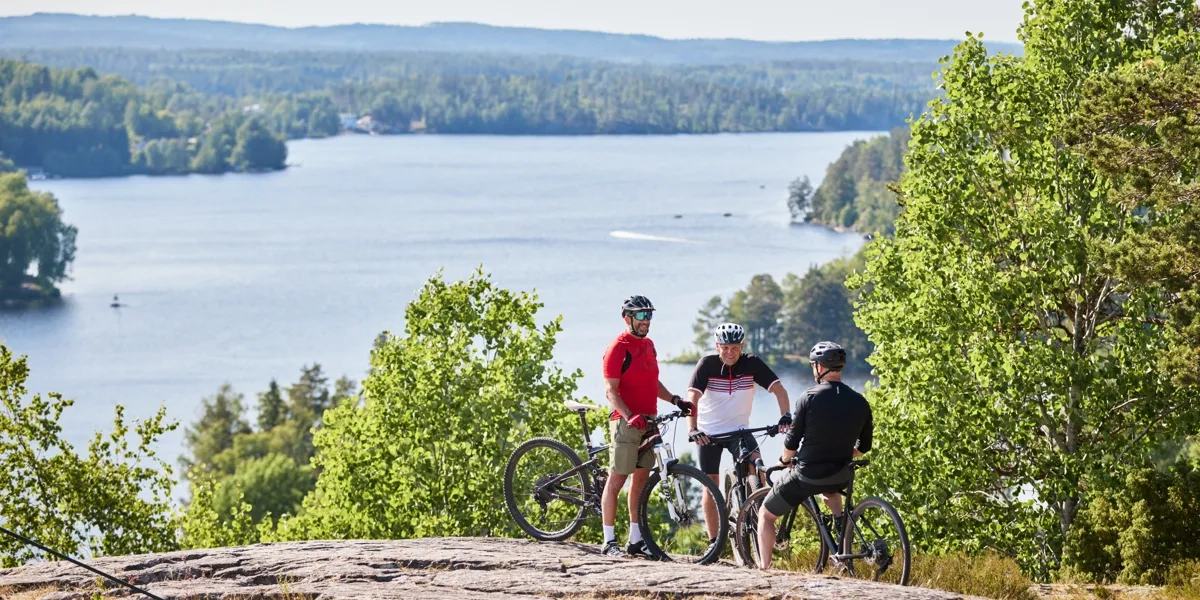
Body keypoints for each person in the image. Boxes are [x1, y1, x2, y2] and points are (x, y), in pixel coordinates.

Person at [755, 341, 873, 570]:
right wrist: (840, 452)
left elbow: (791, 442)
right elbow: (864, 446)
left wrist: (783, 462)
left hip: (807, 475)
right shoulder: (860, 401)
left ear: (819, 367)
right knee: (831, 492)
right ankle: (842, 539)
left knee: (766, 515)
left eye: (813, 366)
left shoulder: (808, 397)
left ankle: (764, 568)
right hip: (841, 474)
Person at [685, 323, 792, 556]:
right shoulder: (707, 364)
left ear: (742, 346)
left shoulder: (752, 363)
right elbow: (692, 397)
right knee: (710, 486)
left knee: (759, 469)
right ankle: (714, 542)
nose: (730, 352)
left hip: (740, 431)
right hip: (709, 434)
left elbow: (779, 389)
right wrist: (692, 428)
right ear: (717, 346)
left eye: (734, 347)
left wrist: (785, 415)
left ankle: (760, 520)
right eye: (725, 347)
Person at [600, 294, 693, 558]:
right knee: (617, 480)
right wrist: (629, 415)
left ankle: (635, 540)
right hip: (626, 422)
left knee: (640, 482)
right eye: (640, 315)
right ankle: (608, 541)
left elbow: (652, 383)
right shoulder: (618, 347)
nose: (646, 320)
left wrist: (675, 400)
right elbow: (610, 390)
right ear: (627, 318)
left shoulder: (649, 345)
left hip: (649, 420)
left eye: (649, 315)